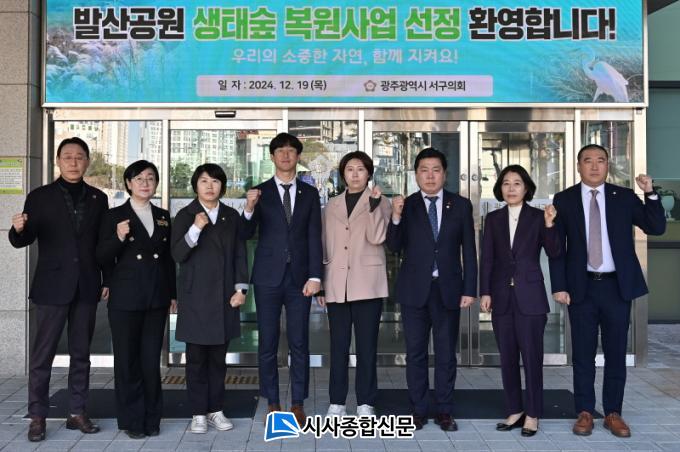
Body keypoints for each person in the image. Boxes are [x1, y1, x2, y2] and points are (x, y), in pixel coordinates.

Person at [549, 144, 666, 438]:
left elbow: (655, 227)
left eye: (600, 160)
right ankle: (585, 412)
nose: (594, 166)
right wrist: (559, 286)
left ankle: (613, 413)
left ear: (608, 165)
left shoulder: (624, 197)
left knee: (615, 353)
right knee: (583, 354)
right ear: (578, 165)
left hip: (616, 286)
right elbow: (557, 249)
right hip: (582, 287)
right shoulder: (564, 199)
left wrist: (650, 193)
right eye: (588, 161)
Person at [8, 137, 108, 442]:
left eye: (79, 157)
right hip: (51, 287)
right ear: (58, 161)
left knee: (81, 354)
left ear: (87, 161)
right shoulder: (39, 197)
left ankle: (77, 411)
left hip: (86, 285)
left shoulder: (99, 198)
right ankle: (37, 416)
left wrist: (106, 279)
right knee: (42, 356)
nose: (73, 162)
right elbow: (23, 239)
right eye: (67, 156)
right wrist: (18, 229)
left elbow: (102, 244)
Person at [386, 147, 477, 431]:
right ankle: (418, 409)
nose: (430, 176)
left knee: (446, 353)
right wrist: (395, 217)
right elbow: (393, 246)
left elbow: (469, 251)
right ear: (415, 174)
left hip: (448, 289)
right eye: (424, 170)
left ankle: (445, 410)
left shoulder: (460, 205)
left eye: (436, 170)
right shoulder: (407, 205)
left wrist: (470, 289)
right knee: (415, 353)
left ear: (445, 174)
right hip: (414, 290)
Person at [241, 132, 322, 426]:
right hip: (268, 277)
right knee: (268, 342)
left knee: (299, 342)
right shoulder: (259, 192)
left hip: (300, 278)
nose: (286, 155)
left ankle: (298, 402)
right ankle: (272, 401)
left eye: (291, 151)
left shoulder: (309, 193)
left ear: (298, 156)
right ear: (272, 156)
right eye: (280, 151)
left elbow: (314, 236)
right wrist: (248, 209)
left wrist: (316, 276)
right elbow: (245, 233)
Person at [96, 160, 176, 439]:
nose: (145, 183)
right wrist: (118, 238)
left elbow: (168, 260)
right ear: (128, 183)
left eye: (150, 178)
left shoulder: (163, 216)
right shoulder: (114, 216)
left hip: (156, 297)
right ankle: (132, 420)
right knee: (127, 361)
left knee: (150, 360)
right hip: (126, 298)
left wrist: (173, 294)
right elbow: (101, 256)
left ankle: (152, 418)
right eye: (139, 178)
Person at [479, 165, 560, 437]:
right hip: (502, 296)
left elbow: (554, 251)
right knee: (508, 357)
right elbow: (487, 259)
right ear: (499, 188)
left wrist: (550, 225)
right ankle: (515, 409)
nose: (511, 188)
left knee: (532, 358)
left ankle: (533, 413)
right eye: (506, 183)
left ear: (526, 188)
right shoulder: (493, 219)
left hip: (531, 297)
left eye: (517, 183)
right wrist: (485, 291)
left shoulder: (538, 217)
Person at [171, 164, 248, 434]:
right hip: (195, 297)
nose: (209, 186)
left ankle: (216, 410)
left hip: (225, 297)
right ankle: (198, 413)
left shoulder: (230, 216)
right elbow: (177, 254)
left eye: (215, 181)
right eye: (204, 181)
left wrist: (241, 290)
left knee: (218, 360)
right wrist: (195, 229)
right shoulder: (185, 215)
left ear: (222, 186)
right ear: (196, 185)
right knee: (195, 360)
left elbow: (240, 254)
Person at [317, 151, 391, 417]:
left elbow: (378, 236)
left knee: (366, 347)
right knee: (338, 346)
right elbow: (324, 244)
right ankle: (337, 402)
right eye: (350, 169)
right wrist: (321, 283)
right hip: (336, 283)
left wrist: (373, 205)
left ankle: (365, 402)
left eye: (361, 169)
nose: (355, 174)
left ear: (369, 173)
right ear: (343, 174)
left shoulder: (381, 201)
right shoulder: (331, 205)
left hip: (367, 283)